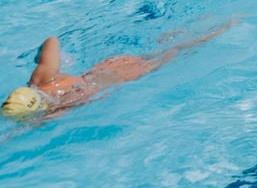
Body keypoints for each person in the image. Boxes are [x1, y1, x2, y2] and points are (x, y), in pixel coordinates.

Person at [2, 26, 233, 121]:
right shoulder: (41, 79)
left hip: (128, 75)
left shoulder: (59, 108)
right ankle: (215, 28)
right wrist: (38, 57)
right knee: (169, 49)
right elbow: (52, 40)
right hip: (109, 64)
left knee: (181, 51)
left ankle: (225, 27)